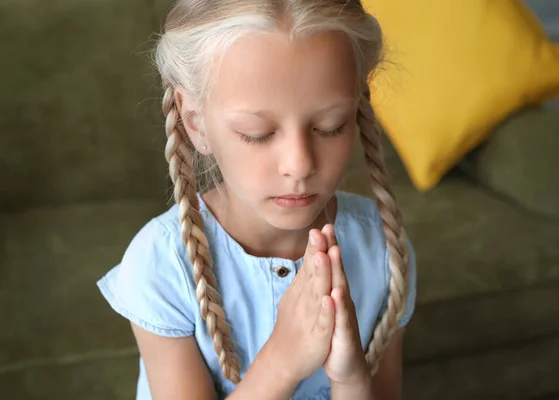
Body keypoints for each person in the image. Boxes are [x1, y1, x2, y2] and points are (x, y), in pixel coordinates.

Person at [97, 0, 417, 398]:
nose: (299, 165)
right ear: (195, 122)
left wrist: (350, 377)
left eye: (330, 126)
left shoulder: (383, 251)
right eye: (257, 133)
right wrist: (282, 362)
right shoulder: (161, 264)